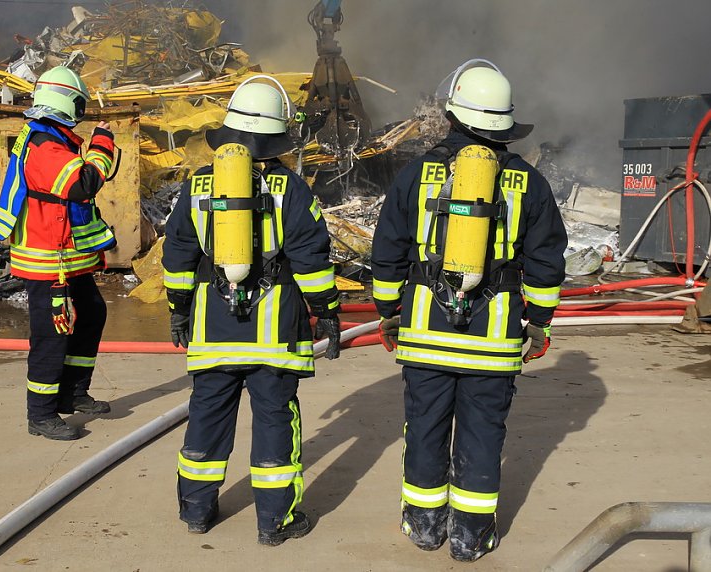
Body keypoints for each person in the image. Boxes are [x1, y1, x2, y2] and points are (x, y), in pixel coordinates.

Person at [371, 59, 567, 562]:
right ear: (505, 124)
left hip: (425, 330)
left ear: (453, 115)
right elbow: (546, 262)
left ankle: (423, 526)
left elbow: (388, 249)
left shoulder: (415, 174)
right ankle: (472, 536)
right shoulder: (529, 182)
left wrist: (388, 311)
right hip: (493, 338)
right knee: (483, 434)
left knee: (425, 428)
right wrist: (539, 324)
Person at [162, 75, 341, 546]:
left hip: (211, 329)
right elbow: (311, 259)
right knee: (275, 422)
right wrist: (326, 311)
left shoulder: (197, 185)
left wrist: (179, 309)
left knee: (206, 418)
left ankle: (196, 512)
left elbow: (177, 254)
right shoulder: (291, 188)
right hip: (274, 336)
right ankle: (275, 522)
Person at [0, 66, 117, 441]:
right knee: (52, 335)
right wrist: (102, 145)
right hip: (47, 260)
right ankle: (41, 414)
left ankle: (73, 392)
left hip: (67, 255)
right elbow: (83, 184)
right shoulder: (45, 146)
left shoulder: (54, 138)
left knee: (92, 313)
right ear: (68, 102)